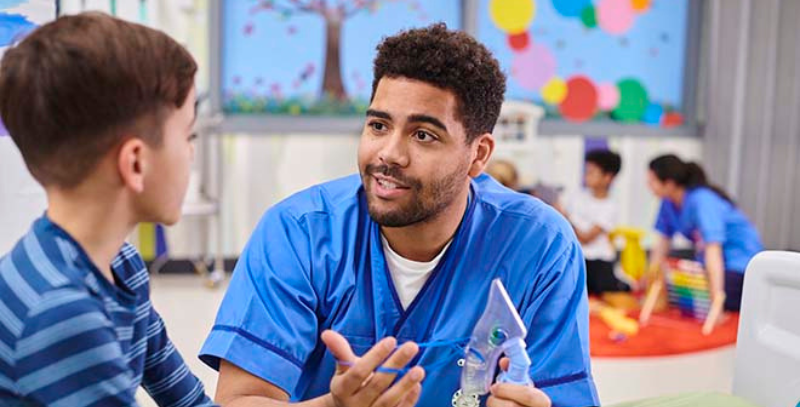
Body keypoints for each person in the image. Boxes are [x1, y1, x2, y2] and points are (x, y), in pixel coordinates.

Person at [201, 23, 599, 407]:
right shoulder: (299, 234)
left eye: (423, 134)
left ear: (478, 155)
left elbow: (560, 396)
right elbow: (238, 400)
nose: (389, 153)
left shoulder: (539, 245)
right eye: (378, 125)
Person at [0, 13, 213, 405]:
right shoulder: (62, 312)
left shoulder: (122, 267)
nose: (191, 152)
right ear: (135, 163)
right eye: (188, 135)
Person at [640, 154, 763, 333]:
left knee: (700, 291)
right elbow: (661, 244)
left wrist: (716, 302)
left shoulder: (702, 200)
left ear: (669, 183)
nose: (648, 186)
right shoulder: (668, 203)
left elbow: (714, 250)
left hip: (741, 264)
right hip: (710, 261)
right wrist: (649, 280)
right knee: (679, 282)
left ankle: (730, 300)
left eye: (652, 181)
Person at [563, 150, 629, 295]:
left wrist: (566, 217)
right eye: (586, 171)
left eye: (592, 172)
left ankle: (624, 285)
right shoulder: (577, 197)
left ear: (608, 177)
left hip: (599, 261)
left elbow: (587, 238)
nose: (587, 176)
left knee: (604, 290)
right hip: (578, 258)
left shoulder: (610, 206)